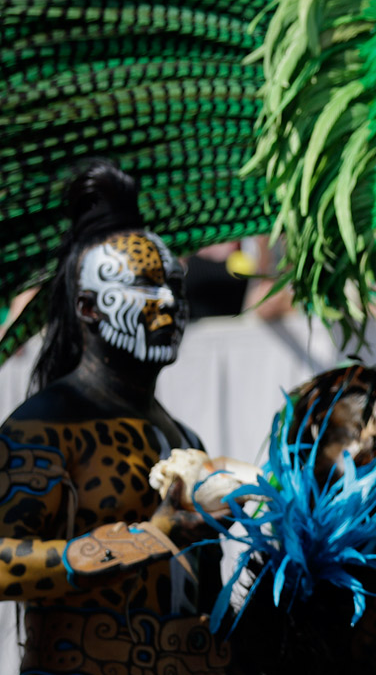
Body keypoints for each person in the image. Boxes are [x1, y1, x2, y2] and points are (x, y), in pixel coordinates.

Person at [0, 160, 228, 674]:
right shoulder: (47, 424)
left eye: (174, 284)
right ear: (88, 307)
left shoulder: (182, 436)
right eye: (146, 288)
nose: (168, 302)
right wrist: (146, 539)